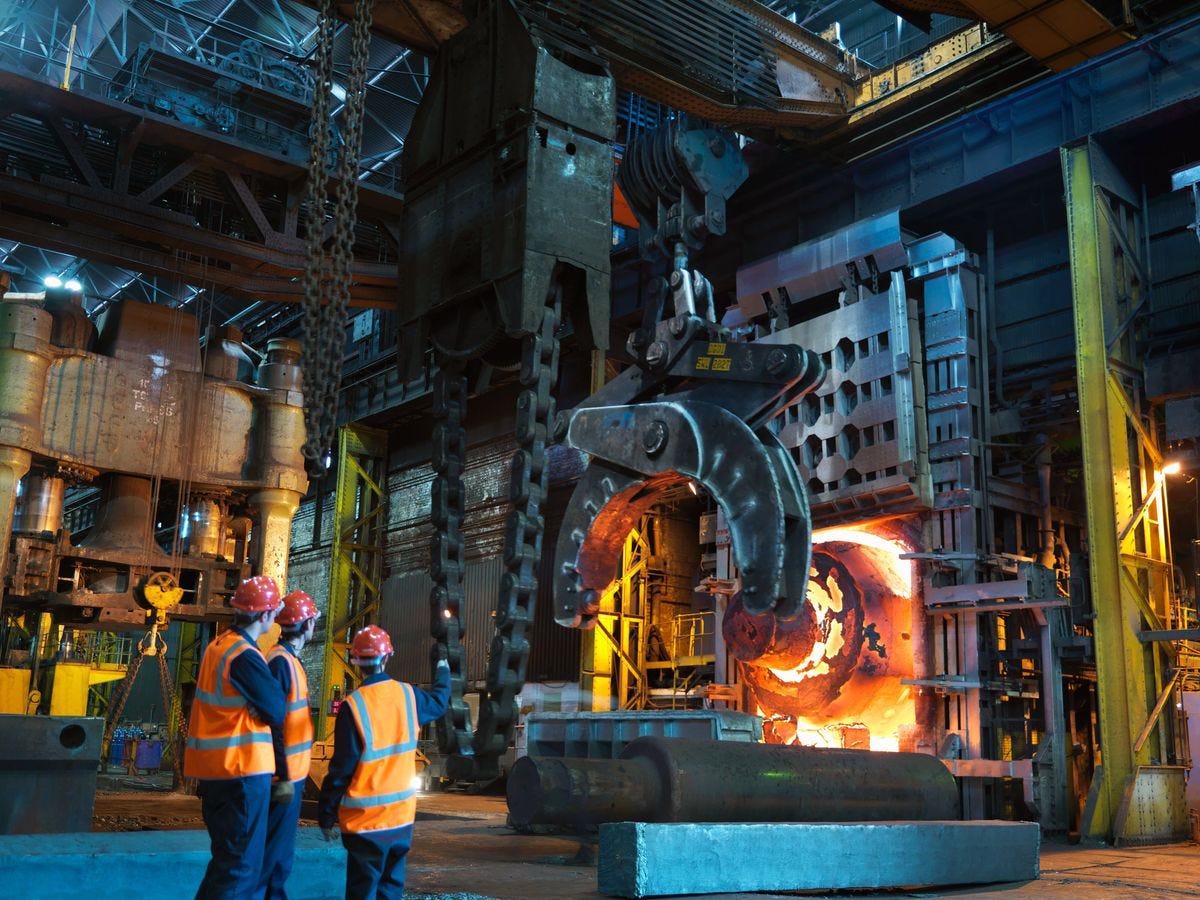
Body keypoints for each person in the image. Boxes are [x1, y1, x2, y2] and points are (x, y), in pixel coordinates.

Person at [318, 625, 451, 899]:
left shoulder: (353, 706)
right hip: (401, 818)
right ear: (387, 657)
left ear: (355, 662)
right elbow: (439, 702)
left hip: (364, 824)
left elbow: (341, 769)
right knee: (391, 888)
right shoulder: (409, 696)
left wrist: (327, 814)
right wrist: (444, 668)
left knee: (362, 889)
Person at [184, 575, 286, 900]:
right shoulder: (243, 655)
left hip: (217, 773)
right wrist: (263, 707)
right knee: (241, 869)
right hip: (240, 773)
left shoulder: (219, 646)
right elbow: (276, 708)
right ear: (266, 616)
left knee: (226, 866)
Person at [259, 590, 321, 899]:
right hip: (282, 777)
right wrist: (283, 775)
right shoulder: (281, 662)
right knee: (274, 854)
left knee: (280, 852)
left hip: (290, 775)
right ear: (307, 624)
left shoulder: (289, 661)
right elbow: (276, 723)